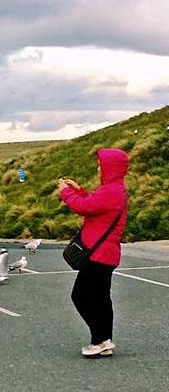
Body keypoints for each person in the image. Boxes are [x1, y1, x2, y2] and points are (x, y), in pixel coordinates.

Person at [58, 148, 129, 358]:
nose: (99, 168)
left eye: (101, 165)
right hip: (107, 255)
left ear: (110, 168)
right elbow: (94, 205)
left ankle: (99, 340)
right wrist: (79, 190)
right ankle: (104, 340)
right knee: (101, 299)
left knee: (80, 296)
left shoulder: (110, 191)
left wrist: (66, 192)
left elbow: (83, 207)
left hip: (98, 255)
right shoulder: (114, 190)